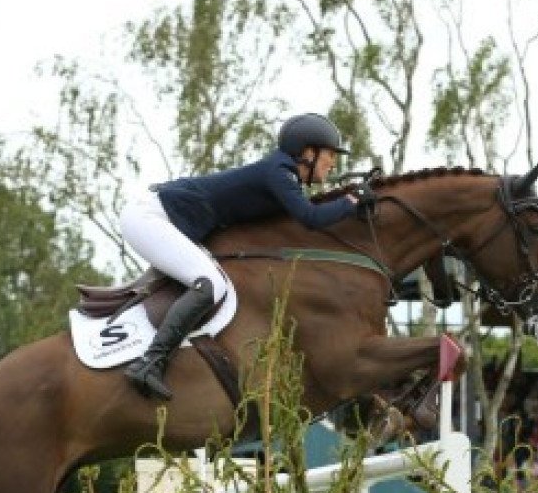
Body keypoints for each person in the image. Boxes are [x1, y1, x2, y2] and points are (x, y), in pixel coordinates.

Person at [118, 113, 374, 400]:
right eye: (329, 155)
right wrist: (351, 201)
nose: (333, 163)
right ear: (308, 152)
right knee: (210, 284)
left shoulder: (283, 174)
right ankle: (149, 363)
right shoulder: (279, 173)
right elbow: (311, 218)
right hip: (150, 218)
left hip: (166, 219)